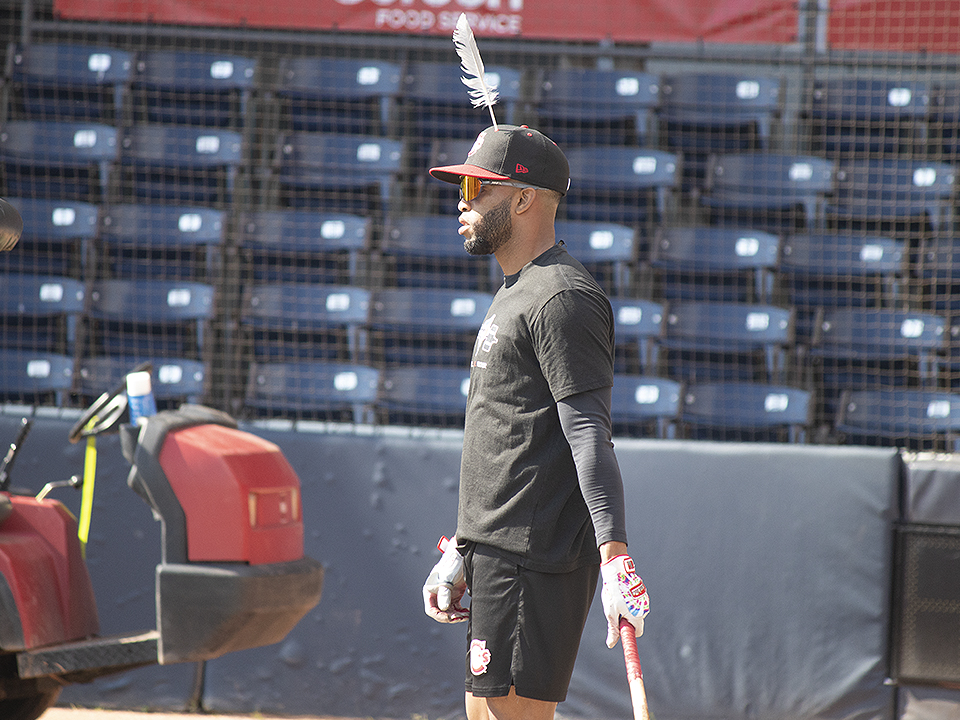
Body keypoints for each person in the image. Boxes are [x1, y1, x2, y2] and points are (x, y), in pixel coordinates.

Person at [421, 124, 650, 720]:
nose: (462, 202)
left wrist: (614, 556)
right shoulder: (517, 290)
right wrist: (465, 548)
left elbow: (588, 434)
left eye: (476, 187)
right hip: (500, 555)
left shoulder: (561, 296)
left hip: (533, 557)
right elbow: (513, 438)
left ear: (523, 198)